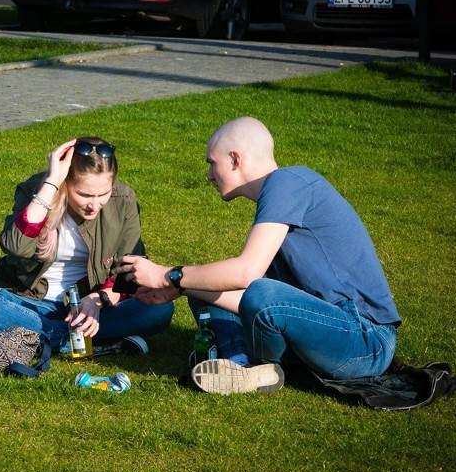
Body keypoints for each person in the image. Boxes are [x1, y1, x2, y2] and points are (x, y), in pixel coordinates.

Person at [115, 117, 401, 395]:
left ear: (236, 159)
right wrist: (181, 287)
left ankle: (253, 363)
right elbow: (250, 293)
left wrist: (168, 275)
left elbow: (247, 275)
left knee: (252, 287)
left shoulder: (288, 182)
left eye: (212, 163)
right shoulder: (281, 195)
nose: (209, 175)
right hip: (325, 331)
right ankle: (239, 364)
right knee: (204, 285)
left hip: (365, 341)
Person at [0, 136, 174, 359]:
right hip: (30, 302)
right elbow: (17, 246)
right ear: (66, 182)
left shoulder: (123, 200)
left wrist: (98, 300)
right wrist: (52, 182)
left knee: (159, 310)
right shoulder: (36, 190)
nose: (94, 204)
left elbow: (129, 270)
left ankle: (31, 338)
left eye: (104, 193)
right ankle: (93, 344)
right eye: (83, 194)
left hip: (90, 307)